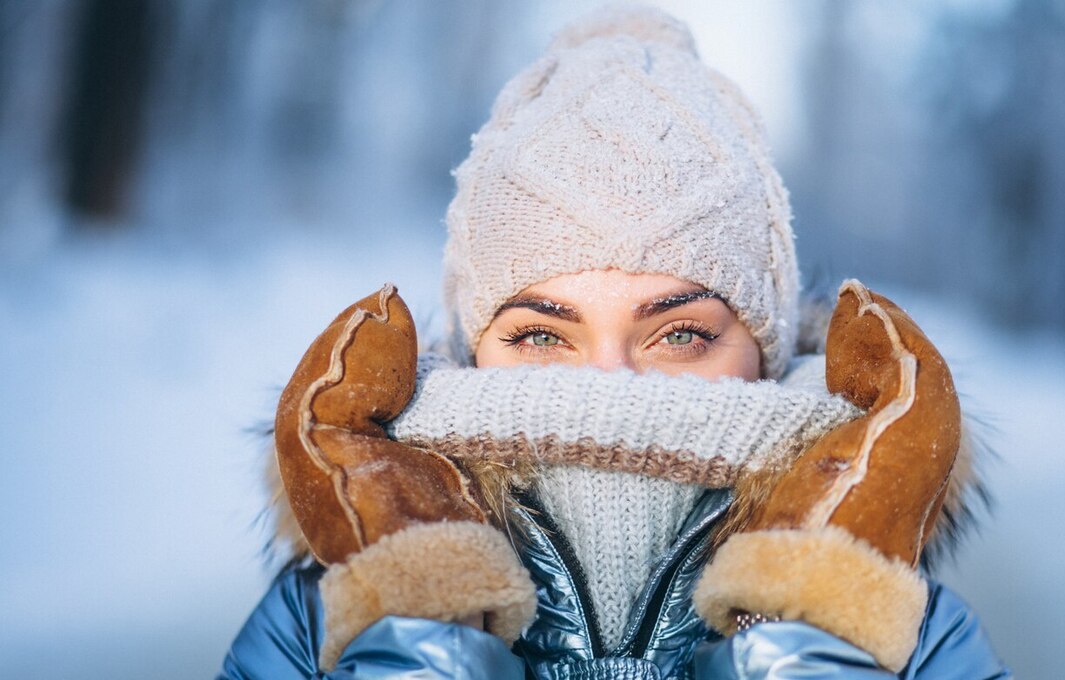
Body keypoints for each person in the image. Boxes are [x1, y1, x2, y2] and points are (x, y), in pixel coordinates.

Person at [220, 6, 1010, 679]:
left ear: (766, 355)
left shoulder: (902, 633)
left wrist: (818, 636)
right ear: (469, 348)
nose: (608, 386)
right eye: (539, 334)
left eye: (679, 335)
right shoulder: (325, 620)